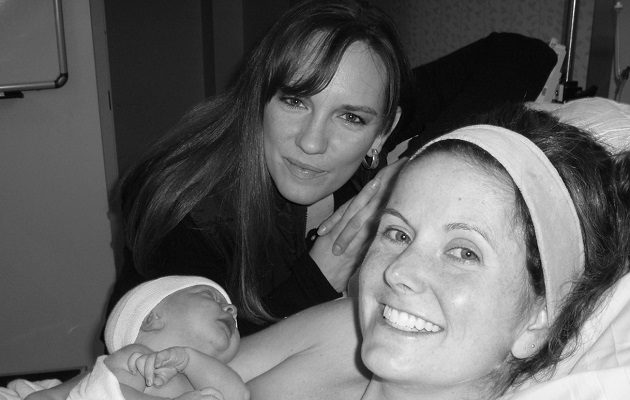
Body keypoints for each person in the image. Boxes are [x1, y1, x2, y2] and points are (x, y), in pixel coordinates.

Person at [225, 104, 630, 400]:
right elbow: (189, 369)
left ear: (538, 319)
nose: (398, 271)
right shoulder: (343, 329)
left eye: (464, 253)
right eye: (398, 233)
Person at [110, 0, 412, 335]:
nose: (312, 143)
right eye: (295, 101)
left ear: (382, 132)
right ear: (259, 98)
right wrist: (315, 282)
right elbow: (183, 360)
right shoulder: (191, 213)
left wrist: (411, 171)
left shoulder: (367, 186)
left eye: (350, 117)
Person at [29, 276, 249, 400]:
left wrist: (189, 359)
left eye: (235, 319)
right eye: (211, 297)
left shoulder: (205, 376)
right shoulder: (135, 359)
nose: (232, 310)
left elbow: (239, 396)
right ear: (152, 319)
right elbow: (105, 395)